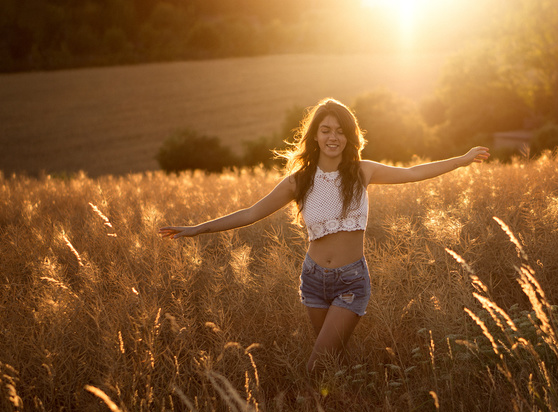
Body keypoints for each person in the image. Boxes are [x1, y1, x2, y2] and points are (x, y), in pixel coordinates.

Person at [159, 98, 490, 373]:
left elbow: (415, 172)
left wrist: (461, 161)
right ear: (314, 136)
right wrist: (197, 229)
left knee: (315, 365)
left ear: (349, 137)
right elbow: (250, 213)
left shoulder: (362, 172)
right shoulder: (298, 182)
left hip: (350, 282)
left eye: (341, 131)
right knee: (332, 361)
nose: (334, 137)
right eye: (326, 129)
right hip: (314, 280)